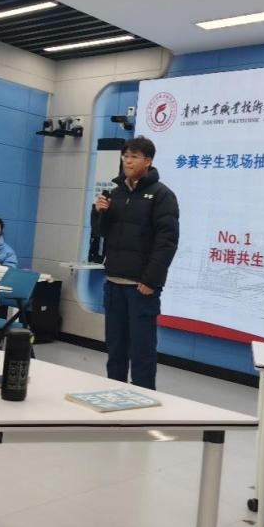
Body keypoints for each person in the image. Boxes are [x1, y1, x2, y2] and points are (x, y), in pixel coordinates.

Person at [94, 136, 179, 390]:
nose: (128, 161)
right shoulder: (115, 192)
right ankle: (114, 393)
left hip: (141, 287)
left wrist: (151, 280)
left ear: (148, 161)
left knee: (142, 350)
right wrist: (99, 212)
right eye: (125, 156)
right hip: (114, 282)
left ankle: (143, 398)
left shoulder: (162, 195)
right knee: (115, 347)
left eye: (134, 157)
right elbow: (101, 232)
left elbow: (167, 242)